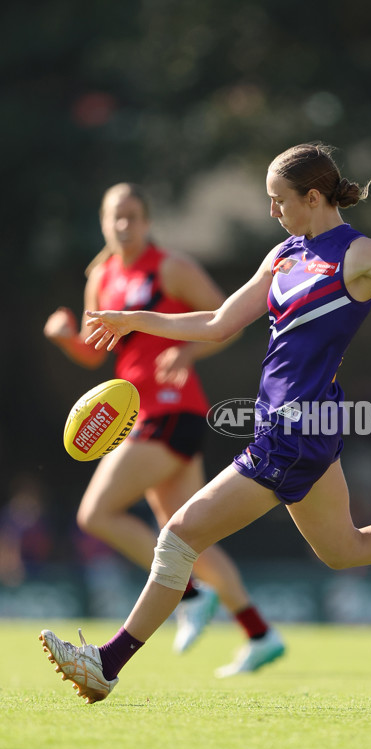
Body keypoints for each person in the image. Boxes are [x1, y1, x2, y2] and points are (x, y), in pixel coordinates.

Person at [40, 143, 371, 704]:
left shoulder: (358, 254)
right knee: (346, 549)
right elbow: (218, 323)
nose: (273, 212)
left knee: (178, 536)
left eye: (279, 201)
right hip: (303, 429)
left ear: (313, 198)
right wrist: (134, 320)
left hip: (291, 432)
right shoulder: (284, 254)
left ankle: (107, 664)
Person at [43, 182, 285, 675]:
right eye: (115, 217)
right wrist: (67, 337)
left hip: (172, 410)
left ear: (148, 220)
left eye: (133, 216)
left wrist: (188, 350)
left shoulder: (170, 266)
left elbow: (228, 319)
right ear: (103, 221)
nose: (124, 226)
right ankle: (259, 632)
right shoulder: (101, 275)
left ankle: (190, 595)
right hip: (138, 413)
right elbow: (96, 352)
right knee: (187, 536)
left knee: (96, 514)